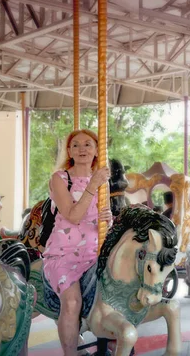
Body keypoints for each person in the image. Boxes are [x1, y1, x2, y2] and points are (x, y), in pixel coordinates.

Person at [42, 129, 112, 355]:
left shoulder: (102, 181)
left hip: (93, 253)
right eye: (76, 145)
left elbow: (100, 221)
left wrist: (107, 220)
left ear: (96, 150)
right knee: (72, 302)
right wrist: (93, 184)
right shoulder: (61, 178)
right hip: (63, 254)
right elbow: (73, 215)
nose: (82, 149)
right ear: (69, 151)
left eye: (88, 144)